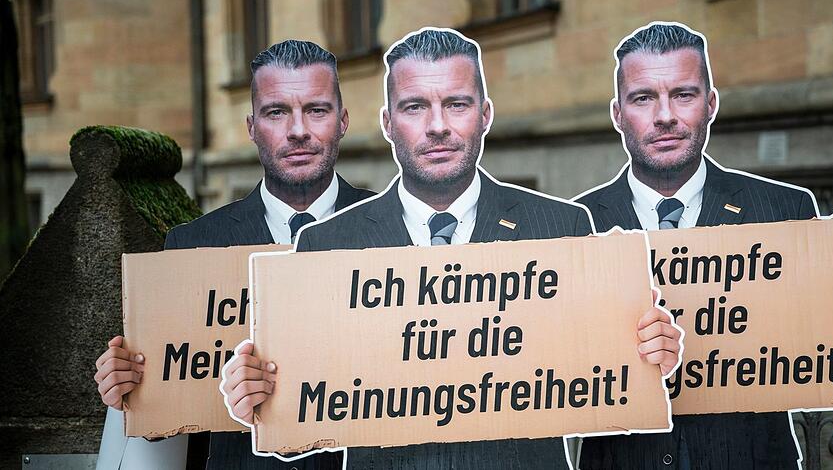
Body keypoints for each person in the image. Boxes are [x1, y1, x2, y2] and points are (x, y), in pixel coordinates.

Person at [221, 28, 683, 469]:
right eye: (415, 106)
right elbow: (303, 423)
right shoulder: (326, 246)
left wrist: (648, 357)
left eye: (456, 104)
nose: (437, 126)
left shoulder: (562, 228)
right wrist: (261, 403)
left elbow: (608, 386)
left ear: (485, 114)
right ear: (388, 122)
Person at [574, 22, 833, 469]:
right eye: (643, 98)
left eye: (683, 94)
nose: (665, 115)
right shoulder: (574, 226)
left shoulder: (783, 209)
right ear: (618, 114)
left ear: (710, 104)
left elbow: (821, 342)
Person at [92, 40, 374, 470]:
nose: (297, 130)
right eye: (276, 112)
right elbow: (170, 417)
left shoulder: (402, 235)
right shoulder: (193, 246)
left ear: (343, 121)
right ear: (251, 127)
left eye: (316, 110)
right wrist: (131, 394)